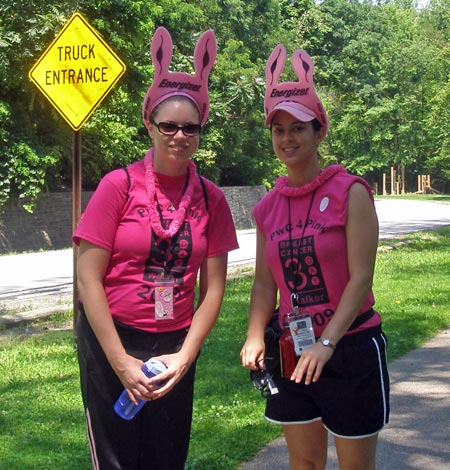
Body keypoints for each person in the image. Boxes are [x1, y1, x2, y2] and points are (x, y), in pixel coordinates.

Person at [73, 26, 238, 470]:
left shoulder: (211, 199)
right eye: (168, 125)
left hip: (174, 345)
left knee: (166, 459)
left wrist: (185, 356)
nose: (179, 135)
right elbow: (88, 278)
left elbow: (214, 290)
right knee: (116, 460)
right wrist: (120, 361)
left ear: (200, 130)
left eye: (190, 127)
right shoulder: (118, 186)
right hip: (113, 341)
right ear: (150, 125)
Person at [240, 45, 390, 470]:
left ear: (319, 132)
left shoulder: (351, 192)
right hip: (292, 348)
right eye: (278, 130)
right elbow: (264, 282)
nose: (287, 139)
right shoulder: (269, 205)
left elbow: (361, 278)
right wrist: (255, 334)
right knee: (304, 463)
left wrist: (327, 343)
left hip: (349, 348)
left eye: (298, 128)